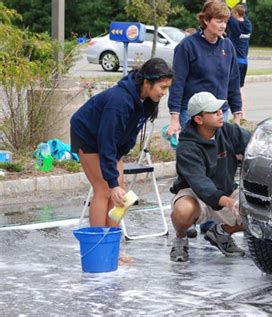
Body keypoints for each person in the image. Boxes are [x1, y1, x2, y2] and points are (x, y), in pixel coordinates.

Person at [70, 58, 173, 232]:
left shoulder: (145, 100)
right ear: (147, 83)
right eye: (162, 87)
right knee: (104, 188)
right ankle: (99, 245)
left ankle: (113, 245)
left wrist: (116, 177)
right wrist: (112, 181)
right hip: (87, 135)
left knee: (119, 192)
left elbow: (125, 135)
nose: (164, 92)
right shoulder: (120, 101)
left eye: (167, 88)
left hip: (109, 142)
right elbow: (106, 140)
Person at [169, 91, 251, 262]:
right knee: (183, 210)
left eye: (220, 110)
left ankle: (221, 233)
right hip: (195, 194)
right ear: (199, 119)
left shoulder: (229, 131)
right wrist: (230, 203)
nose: (221, 113)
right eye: (214, 112)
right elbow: (200, 183)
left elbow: (254, 144)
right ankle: (180, 238)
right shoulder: (187, 146)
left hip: (226, 191)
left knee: (258, 212)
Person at [166, 0, 243, 138]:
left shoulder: (228, 45)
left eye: (225, 22)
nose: (223, 26)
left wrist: (237, 114)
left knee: (218, 155)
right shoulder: (187, 46)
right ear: (206, 20)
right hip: (193, 114)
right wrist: (174, 118)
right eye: (219, 21)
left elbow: (233, 82)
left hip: (220, 112)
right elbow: (177, 83)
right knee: (195, 156)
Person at [227, 0, 252, 116]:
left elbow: (226, 11)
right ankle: (241, 113)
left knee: (231, 87)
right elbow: (244, 13)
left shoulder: (234, 24)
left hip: (235, 61)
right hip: (244, 61)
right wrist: (243, 2)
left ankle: (235, 112)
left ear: (236, 14)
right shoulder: (248, 25)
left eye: (233, 13)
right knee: (240, 87)